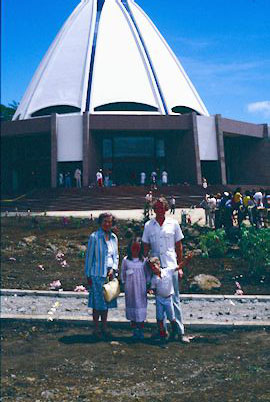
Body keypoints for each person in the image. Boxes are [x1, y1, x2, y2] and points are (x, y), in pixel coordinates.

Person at [142, 197, 190, 343]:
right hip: (156, 266)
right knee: (159, 299)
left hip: (170, 265)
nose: (159, 210)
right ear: (153, 209)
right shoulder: (149, 225)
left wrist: (180, 266)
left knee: (174, 297)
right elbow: (145, 246)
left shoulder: (173, 224)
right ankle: (162, 331)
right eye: (156, 207)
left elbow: (178, 246)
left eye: (162, 207)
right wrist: (145, 265)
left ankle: (180, 331)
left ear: (166, 208)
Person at [85, 212, 119, 340]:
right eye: (105, 221)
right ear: (100, 222)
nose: (107, 224)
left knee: (106, 303)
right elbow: (89, 257)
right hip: (96, 275)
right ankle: (95, 329)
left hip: (109, 276)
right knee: (96, 304)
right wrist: (88, 274)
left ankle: (104, 327)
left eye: (109, 222)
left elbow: (116, 256)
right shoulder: (94, 237)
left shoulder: (114, 238)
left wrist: (114, 269)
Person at [148, 256, 187, 342]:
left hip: (168, 298)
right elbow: (153, 288)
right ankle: (163, 334)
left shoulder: (168, 271)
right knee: (159, 318)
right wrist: (151, 290)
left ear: (159, 264)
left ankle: (175, 332)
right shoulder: (154, 279)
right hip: (159, 299)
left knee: (171, 317)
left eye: (154, 266)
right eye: (151, 268)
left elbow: (178, 267)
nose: (153, 269)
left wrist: (186, 259)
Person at [121, 236, 150, 340]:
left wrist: (148, 285)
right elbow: (123, 273)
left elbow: (147, 274)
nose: (135, 250)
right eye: (133, 248)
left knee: (140, 308)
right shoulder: (126, 260)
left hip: (140, 288)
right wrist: (124, 284)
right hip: (130, 288)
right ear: (130, 248)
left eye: (137, 248)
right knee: (132, 307)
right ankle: (134, 330)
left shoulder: (143, 261)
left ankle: (140, 329)